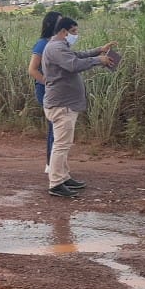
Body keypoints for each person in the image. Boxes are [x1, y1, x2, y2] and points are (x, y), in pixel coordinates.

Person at [41, 17, 115, 198]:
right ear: (63, 32)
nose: (76, 35)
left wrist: (99, 51)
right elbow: (74, 64)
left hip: (65, 104)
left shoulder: (59, 47)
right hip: (61, 105)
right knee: (61, 144)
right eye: (73, 32)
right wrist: (99, 60)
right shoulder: (56, 48)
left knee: (64, 144)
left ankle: (63, 177)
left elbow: (78, 55)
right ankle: (56, 183)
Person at [28, 11, 63, 175]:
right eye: (60, 22)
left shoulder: (58, 43)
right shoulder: (42, 44)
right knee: (55, 127)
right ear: (51, 25)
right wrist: (48, 83)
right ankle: (52, 165)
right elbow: (32, 70)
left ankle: (53, 164)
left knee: (56, 128)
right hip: (46, 91)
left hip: (55, 91)